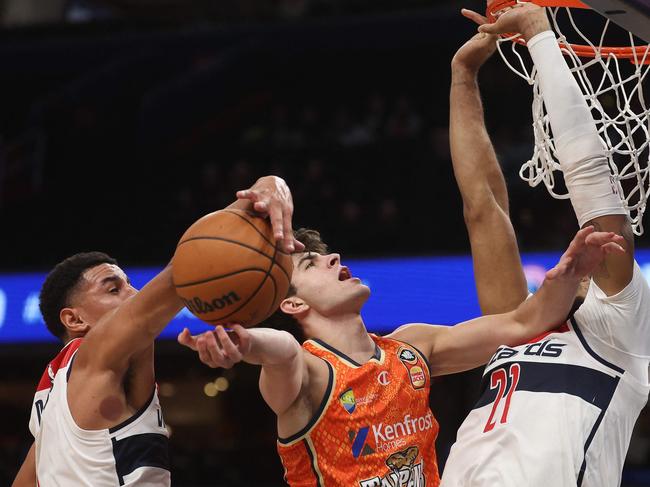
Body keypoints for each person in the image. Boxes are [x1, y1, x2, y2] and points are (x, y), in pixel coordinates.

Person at [179, 218, 624, 483]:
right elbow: (280, 353)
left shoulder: (412, 346)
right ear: (293, 303)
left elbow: (521, 323)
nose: (335, 259)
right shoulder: (310, 371)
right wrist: (244, 341)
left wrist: (566, 274)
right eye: (315, 264)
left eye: (330, 254)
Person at [439, 4, 650, 486]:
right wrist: (463, 75)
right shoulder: (517, 323)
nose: (562, 267)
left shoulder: (619, 323)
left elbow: (593, 185)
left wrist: (540, 37)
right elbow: (481, 206)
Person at [10, 175, 302, 487]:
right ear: (75, 320)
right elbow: (189, 266)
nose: (134, 295)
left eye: (130, 284)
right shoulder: (90, 354)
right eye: (113, 290)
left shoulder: (46, 410)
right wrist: (260, 192)